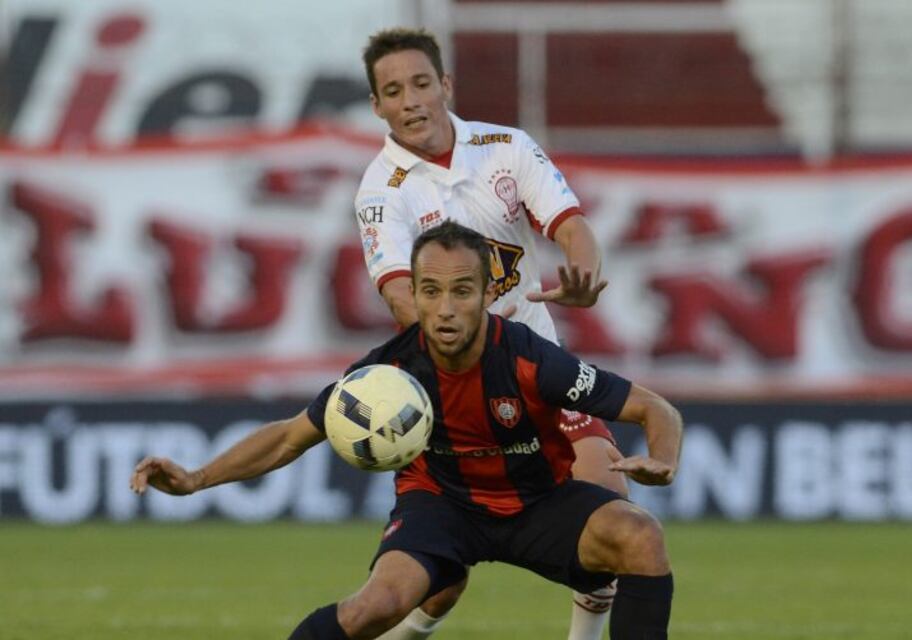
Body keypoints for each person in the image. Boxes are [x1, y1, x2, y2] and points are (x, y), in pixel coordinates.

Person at [131, 221, 683, 640]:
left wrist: (663, 457)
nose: (445, 309)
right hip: (441, 506)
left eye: (462, 291)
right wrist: (197, 478)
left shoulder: (532, 360)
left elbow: (655, 408)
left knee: (640, 535)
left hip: (536, 503)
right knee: (375, 607)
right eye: (430, 291)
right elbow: (289, 435)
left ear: (489, 293)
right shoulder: (384, 374)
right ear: (412, 294)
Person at [355, 28, 626, 639]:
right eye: (393, 91)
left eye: (421, 83)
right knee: (441, 579)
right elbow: (401, 298)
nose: (411, 100)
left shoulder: (506, 148)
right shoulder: (381, 191)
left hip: (538, 371)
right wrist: (476, 344)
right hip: (452, 387)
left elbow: (570, 223)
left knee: (614, 520)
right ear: (377, 107)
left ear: (445, 85)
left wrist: (584, 270)